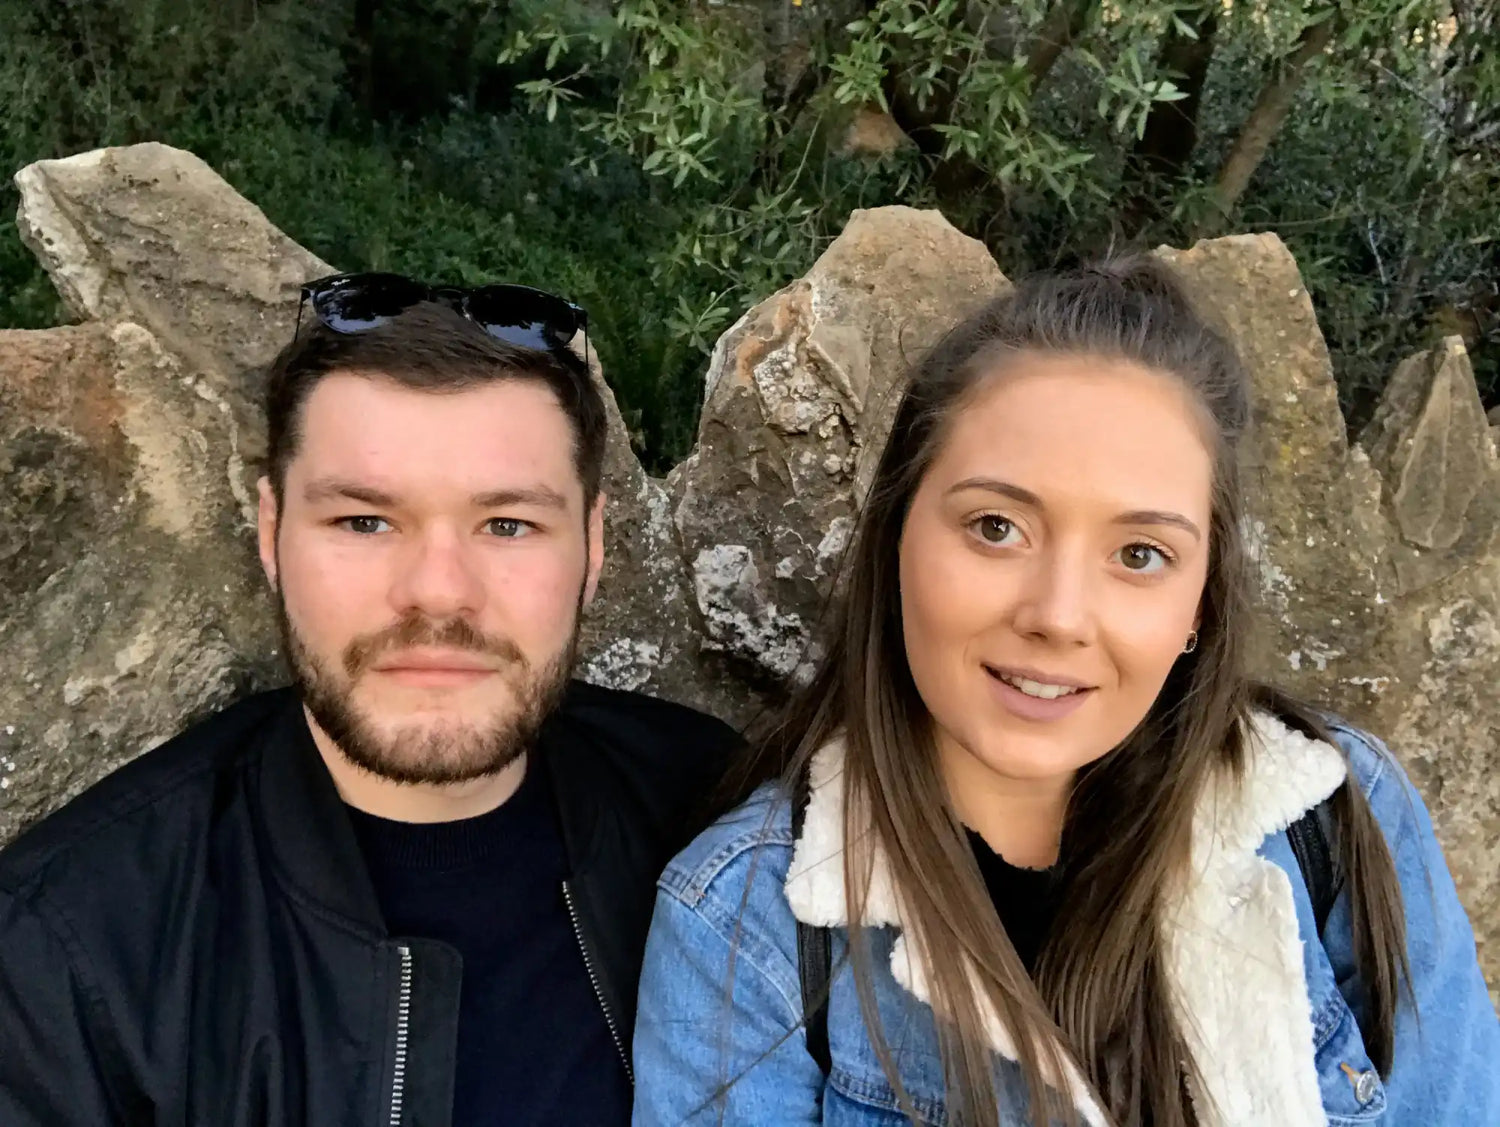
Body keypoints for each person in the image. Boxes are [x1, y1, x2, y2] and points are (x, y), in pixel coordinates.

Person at [631, 259, 1500, 1126]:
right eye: (996, 527)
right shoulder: (744, 928)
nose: (1059, 616)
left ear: (1200, 601)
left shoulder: (1341, 814)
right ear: (896, 537)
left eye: (1140, 554)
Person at [0, 273, 740, 1126]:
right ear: (270, 533)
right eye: (364, 521)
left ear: (594, 545)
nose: (436, 593)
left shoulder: (710, 811)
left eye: (507, 524)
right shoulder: (68, 958)